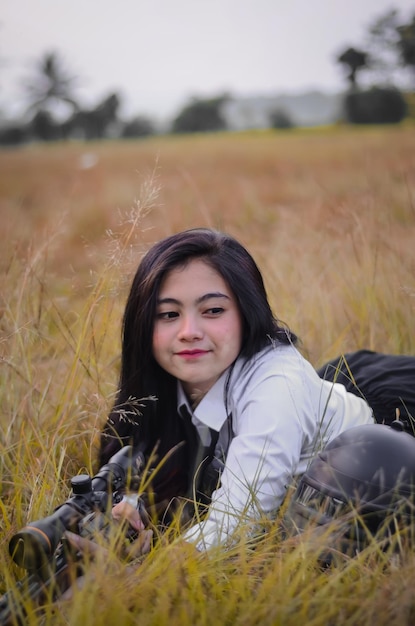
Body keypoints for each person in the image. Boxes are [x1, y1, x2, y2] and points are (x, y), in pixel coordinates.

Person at [95, 227, 414, 552]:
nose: (188, 332)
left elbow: (238, 523)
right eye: (168, 314)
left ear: (247, 313)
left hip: (386, 433)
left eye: (213, 310)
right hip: (327, 391)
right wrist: (131, 505)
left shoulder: (276, 391)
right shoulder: (165, 378)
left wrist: (140, 575)